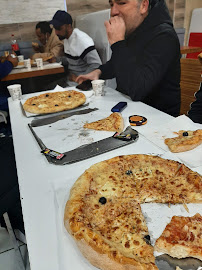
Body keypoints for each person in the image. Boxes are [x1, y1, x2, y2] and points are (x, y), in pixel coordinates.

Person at [76, 0, 181, 117]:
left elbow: (138, 89)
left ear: (143, 6)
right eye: (111, 5)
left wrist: (118, 43)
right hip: (129, 110)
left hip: (159, 119)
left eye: (121, 3)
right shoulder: (135, 29)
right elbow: (120, 61)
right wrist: (99, 72)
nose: (113, 12)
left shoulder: (164, 36)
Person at [50, 10, 102, 83]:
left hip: (81, 83)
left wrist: (80, 78)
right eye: (55, 28)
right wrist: (57, 60)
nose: (56, 32)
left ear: (69, 26)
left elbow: (96, 64)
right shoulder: (66, 38)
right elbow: (72, 60)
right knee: (45, 87)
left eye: (59, 28)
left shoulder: (82, 40)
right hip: (70, 79)